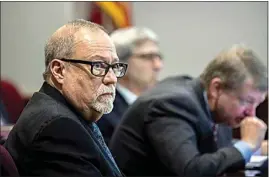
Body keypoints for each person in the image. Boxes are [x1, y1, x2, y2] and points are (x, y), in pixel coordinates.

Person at [109, 44, 268, 176]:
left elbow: (211, 149)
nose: (251, 113)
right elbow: (191, 171)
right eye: (247, 101)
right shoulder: (172, 104)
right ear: (216, 88)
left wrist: (256, 148)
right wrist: (247, 145)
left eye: (257, 104)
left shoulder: (208, 102)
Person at [4, 19, 128, 176]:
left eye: (114, 66)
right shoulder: (58, 128)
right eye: (98, 66)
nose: (112, 79)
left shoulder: (69, 112)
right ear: (59, 71)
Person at [97, 27, 163, 144]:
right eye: (148, 57)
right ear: (121, 63)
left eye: (159, 57)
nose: (158, 65)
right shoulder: (103, 109)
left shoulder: (164, 103)